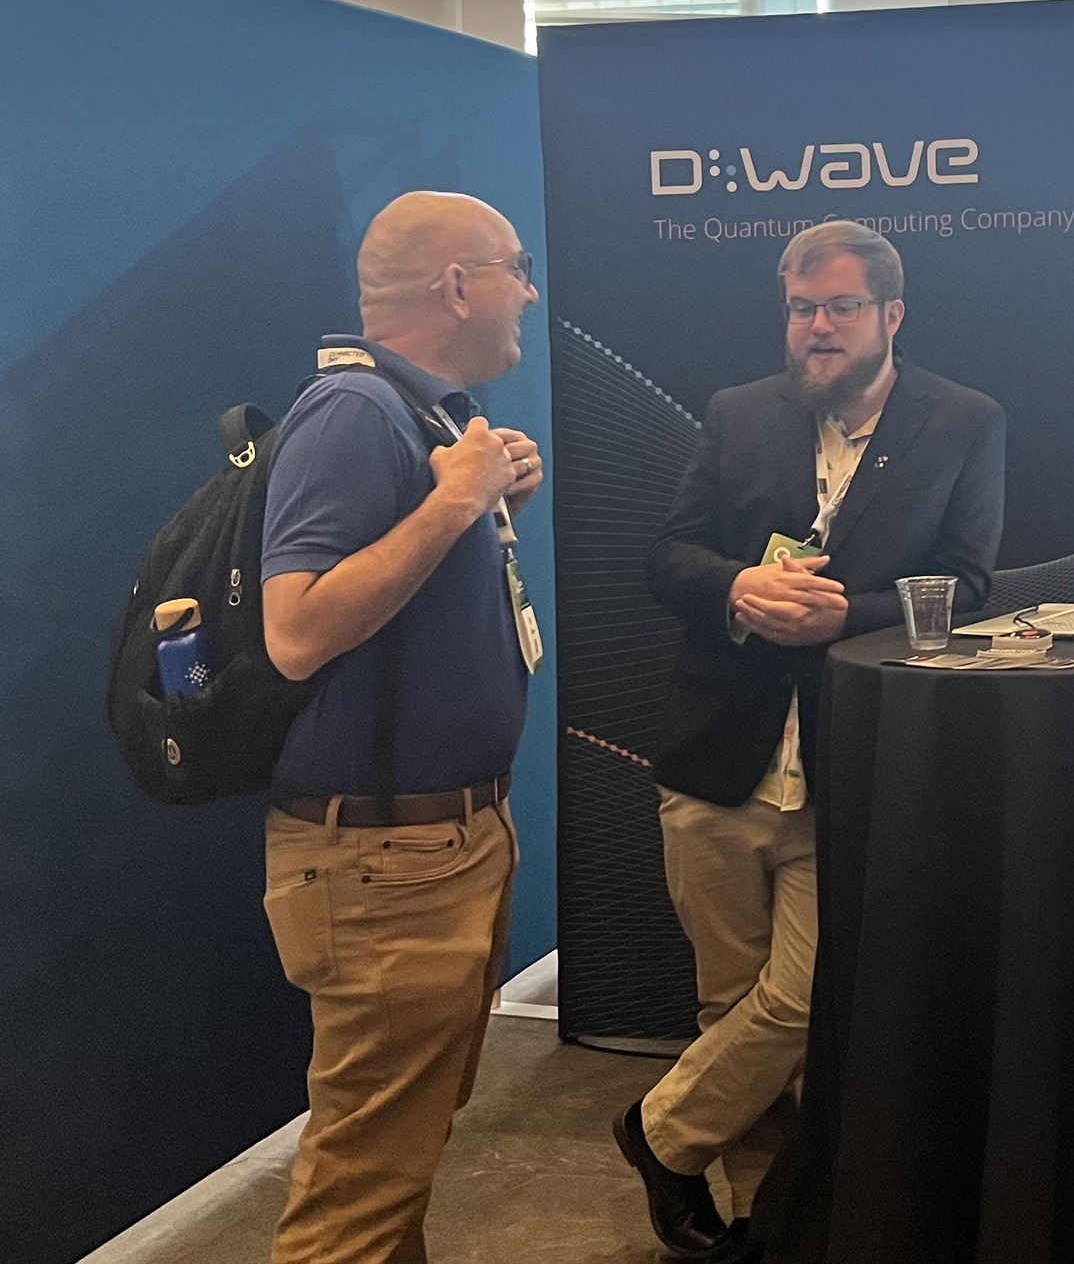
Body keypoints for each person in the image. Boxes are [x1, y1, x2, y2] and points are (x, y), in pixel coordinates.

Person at [618, 220, 1006, 1260]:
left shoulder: (964, 421)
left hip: (853, 765)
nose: (817, 327)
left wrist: (854, 614)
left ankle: (658, 1134)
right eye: (801, 309)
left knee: (802, 996)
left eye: (839, 307)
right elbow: (667, 557)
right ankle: (761, 1219)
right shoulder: (738, 413)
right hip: (717, 760)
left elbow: (970, 585)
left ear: (891, 314)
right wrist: (736, 586)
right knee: (729, 1009)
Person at [257, 191, 544, 1263]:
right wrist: (453, 504)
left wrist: (486, 502)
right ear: (458, 286)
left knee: (395, 1160)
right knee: (361, 1191)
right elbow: (296, 631)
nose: (527, 294)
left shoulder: (423, 416)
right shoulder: (354, 412)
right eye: (516, 268)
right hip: (388, 864)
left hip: (437, 849)